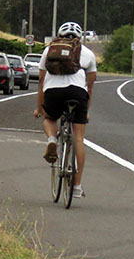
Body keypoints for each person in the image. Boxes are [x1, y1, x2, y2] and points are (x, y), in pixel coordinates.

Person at [32, 22, 97, 199]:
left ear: (59, 35)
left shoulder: (49, 51)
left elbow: (41, 83)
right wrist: (86, 111)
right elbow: (90, 86)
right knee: (78, 138)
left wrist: (39, 109)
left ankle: (52, 139)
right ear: (79, 37)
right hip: (78, 92)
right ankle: (76, 186)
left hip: (53, 92)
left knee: (50, 118)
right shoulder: (88, 53)